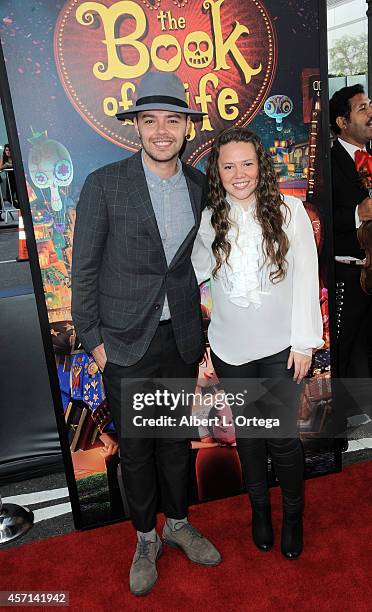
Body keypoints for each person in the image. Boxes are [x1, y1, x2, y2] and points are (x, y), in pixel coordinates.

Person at [71, 72, 221, 597]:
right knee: (135, 449)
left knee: (176, 443)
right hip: (124, 343)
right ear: (136, 125)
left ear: (187, 128)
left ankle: (177, 524)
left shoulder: (201, 184)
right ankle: (144, 538)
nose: (162, 130)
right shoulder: (104, 183)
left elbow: (195, 263)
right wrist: (94, 342)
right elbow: (83, 268)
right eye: (151, 120)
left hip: (178, 337)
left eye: (173, 120)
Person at [192, 127, 323, 559]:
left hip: (280, 347)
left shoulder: (291, 211)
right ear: (218, 172)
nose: (239, 173)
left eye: (246, 163)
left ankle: (293, 516)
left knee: (283, 439)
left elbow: (306, 278)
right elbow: (191, 274)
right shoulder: (211, 217)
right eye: (228, 166)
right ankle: (260, 512)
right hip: (230, 349)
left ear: (260, 165)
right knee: (248, 438)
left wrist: (304, 343)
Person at [329, 85, 372, 383]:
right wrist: (359, 213)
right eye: (362, 109)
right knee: (346, 356)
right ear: (343, 123)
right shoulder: (327, 163)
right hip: (349, 277)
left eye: (369, 106)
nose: (371, 113)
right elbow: (319, 219)